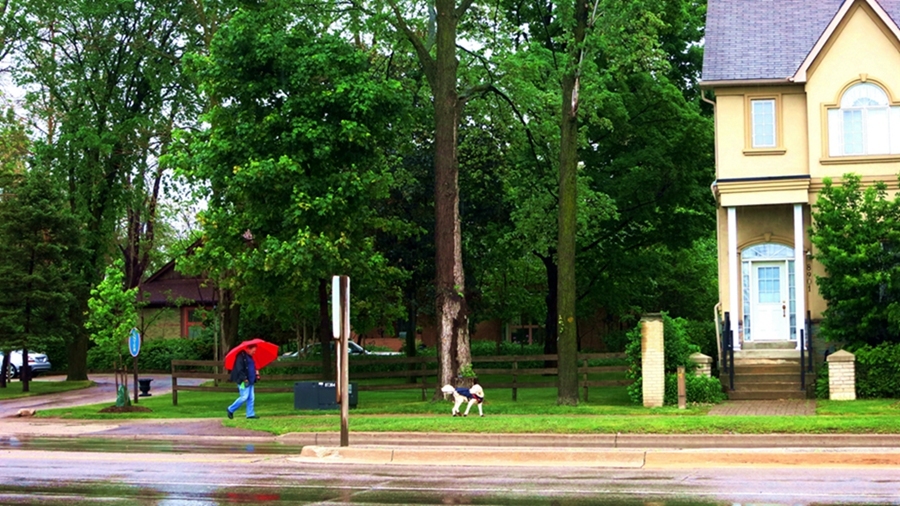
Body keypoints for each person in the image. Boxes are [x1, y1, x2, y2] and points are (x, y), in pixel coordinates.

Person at [227, 344, 260, 419]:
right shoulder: (241, 356)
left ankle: (250, 414)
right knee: (244, 397)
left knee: (251, 397)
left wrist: (256, 373)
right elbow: (239, 369)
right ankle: (230, 409)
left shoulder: (250, 357)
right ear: (248, 349)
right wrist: (244, 378)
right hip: (243, 381)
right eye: (253, 351)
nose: (254, 352)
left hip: (251, 380)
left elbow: (252, 367)